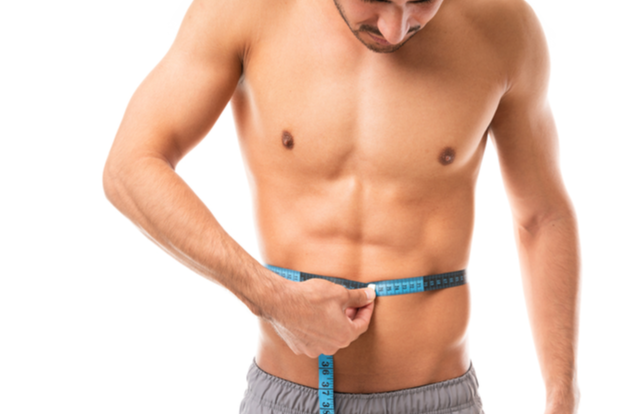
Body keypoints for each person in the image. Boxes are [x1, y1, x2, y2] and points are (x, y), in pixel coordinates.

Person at [103, 0, 581, 412]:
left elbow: (544, 217)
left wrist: (562, 398)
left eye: (422, 3)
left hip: (441, 400)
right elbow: (130, 166)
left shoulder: (503, 24)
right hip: (286, 395)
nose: (396, 29)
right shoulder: (250, 10)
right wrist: (270, 297)